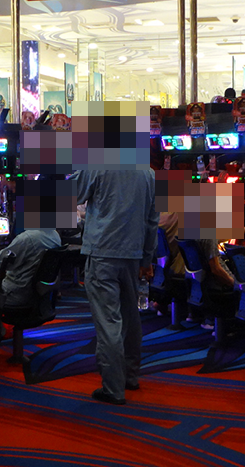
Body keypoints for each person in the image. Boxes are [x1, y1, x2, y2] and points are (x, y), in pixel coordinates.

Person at [74, 169, 159, 405]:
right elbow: (153, 219)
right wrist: (147, 258)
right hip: (133, 254)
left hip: (102, 252)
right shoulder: (149, 172)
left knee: (109, 322)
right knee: (130, 316)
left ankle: (113, 388)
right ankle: (130, 376)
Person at [0, 228, 62, 303]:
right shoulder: (55, 235)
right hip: (38, 292)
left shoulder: (28, 238)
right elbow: (31, 265)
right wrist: (6, 273)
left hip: (18, 294)